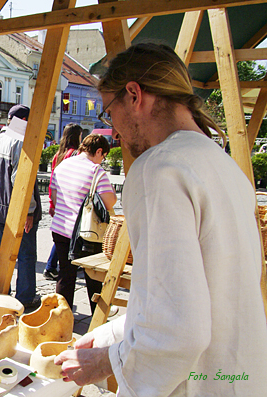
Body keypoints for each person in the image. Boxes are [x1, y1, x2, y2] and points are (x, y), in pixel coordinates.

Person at [54, 43, 267, 395]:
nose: (115, 131)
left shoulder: (159, 169)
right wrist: (110, 335)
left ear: (134, 95)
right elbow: (195, 295)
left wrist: (107, 361)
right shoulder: (226, 167)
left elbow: (179, 328)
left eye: (110, 113)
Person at [0, 104, 42, 309]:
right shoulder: (21, 142)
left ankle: (1, 294)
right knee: (26, 254)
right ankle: (25, 297)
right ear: (25, 121)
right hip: (15, 209)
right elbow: (22, 181)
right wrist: (30, 211)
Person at [50, 134, 116, 310]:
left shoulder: (62, 165)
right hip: (85, 233)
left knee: (65, 274)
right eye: (103, 156)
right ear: (99, 151)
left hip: (60, 227)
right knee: (93, 276)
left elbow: (55, 197)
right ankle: (97, 316)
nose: (102, 160)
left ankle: (62, 316)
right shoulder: (96, 171)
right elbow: (109, 202)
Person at [44, 123, 83, 281]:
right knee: (69, 234)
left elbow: (52, 178)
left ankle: (52, 265)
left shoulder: (58, 154)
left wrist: (52, 202)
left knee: (61, 233)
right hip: (70, 198)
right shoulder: (75, 154)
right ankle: (52, 265)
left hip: (58, 197)